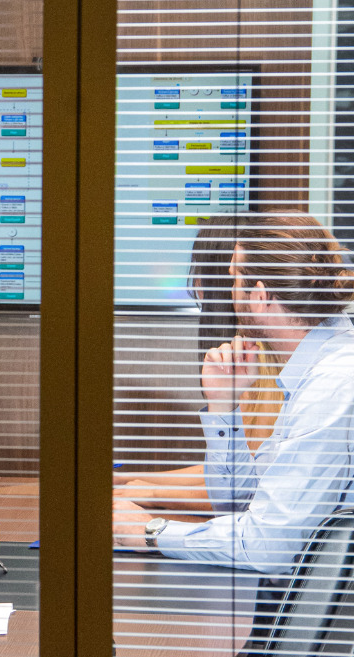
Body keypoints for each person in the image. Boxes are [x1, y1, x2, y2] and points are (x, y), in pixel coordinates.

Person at [113, 215, 354, 575]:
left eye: (232, 279)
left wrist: (150, 532)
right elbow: (239, 498)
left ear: (258, 297)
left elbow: (267, 546)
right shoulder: (315, 370)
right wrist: (224, 406)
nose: (225, 292)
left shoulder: (331, 386)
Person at [113, 222, 285, 513]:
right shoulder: (242, 349)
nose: (195, 288)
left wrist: (149, 492)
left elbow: (252, 488)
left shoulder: (260, 358)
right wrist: (129, 480)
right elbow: (236, 468)